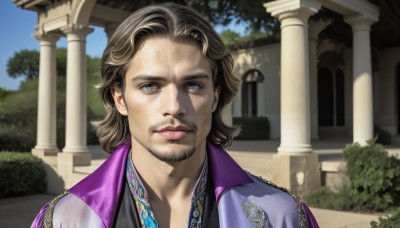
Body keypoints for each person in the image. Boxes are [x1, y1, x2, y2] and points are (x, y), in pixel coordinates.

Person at [32, 3, 318, 228]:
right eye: (150, 86)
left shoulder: (282, 217)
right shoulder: (65, 220)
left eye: (192, 85)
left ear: (216, 96)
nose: (174, 106)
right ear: (119, 99)